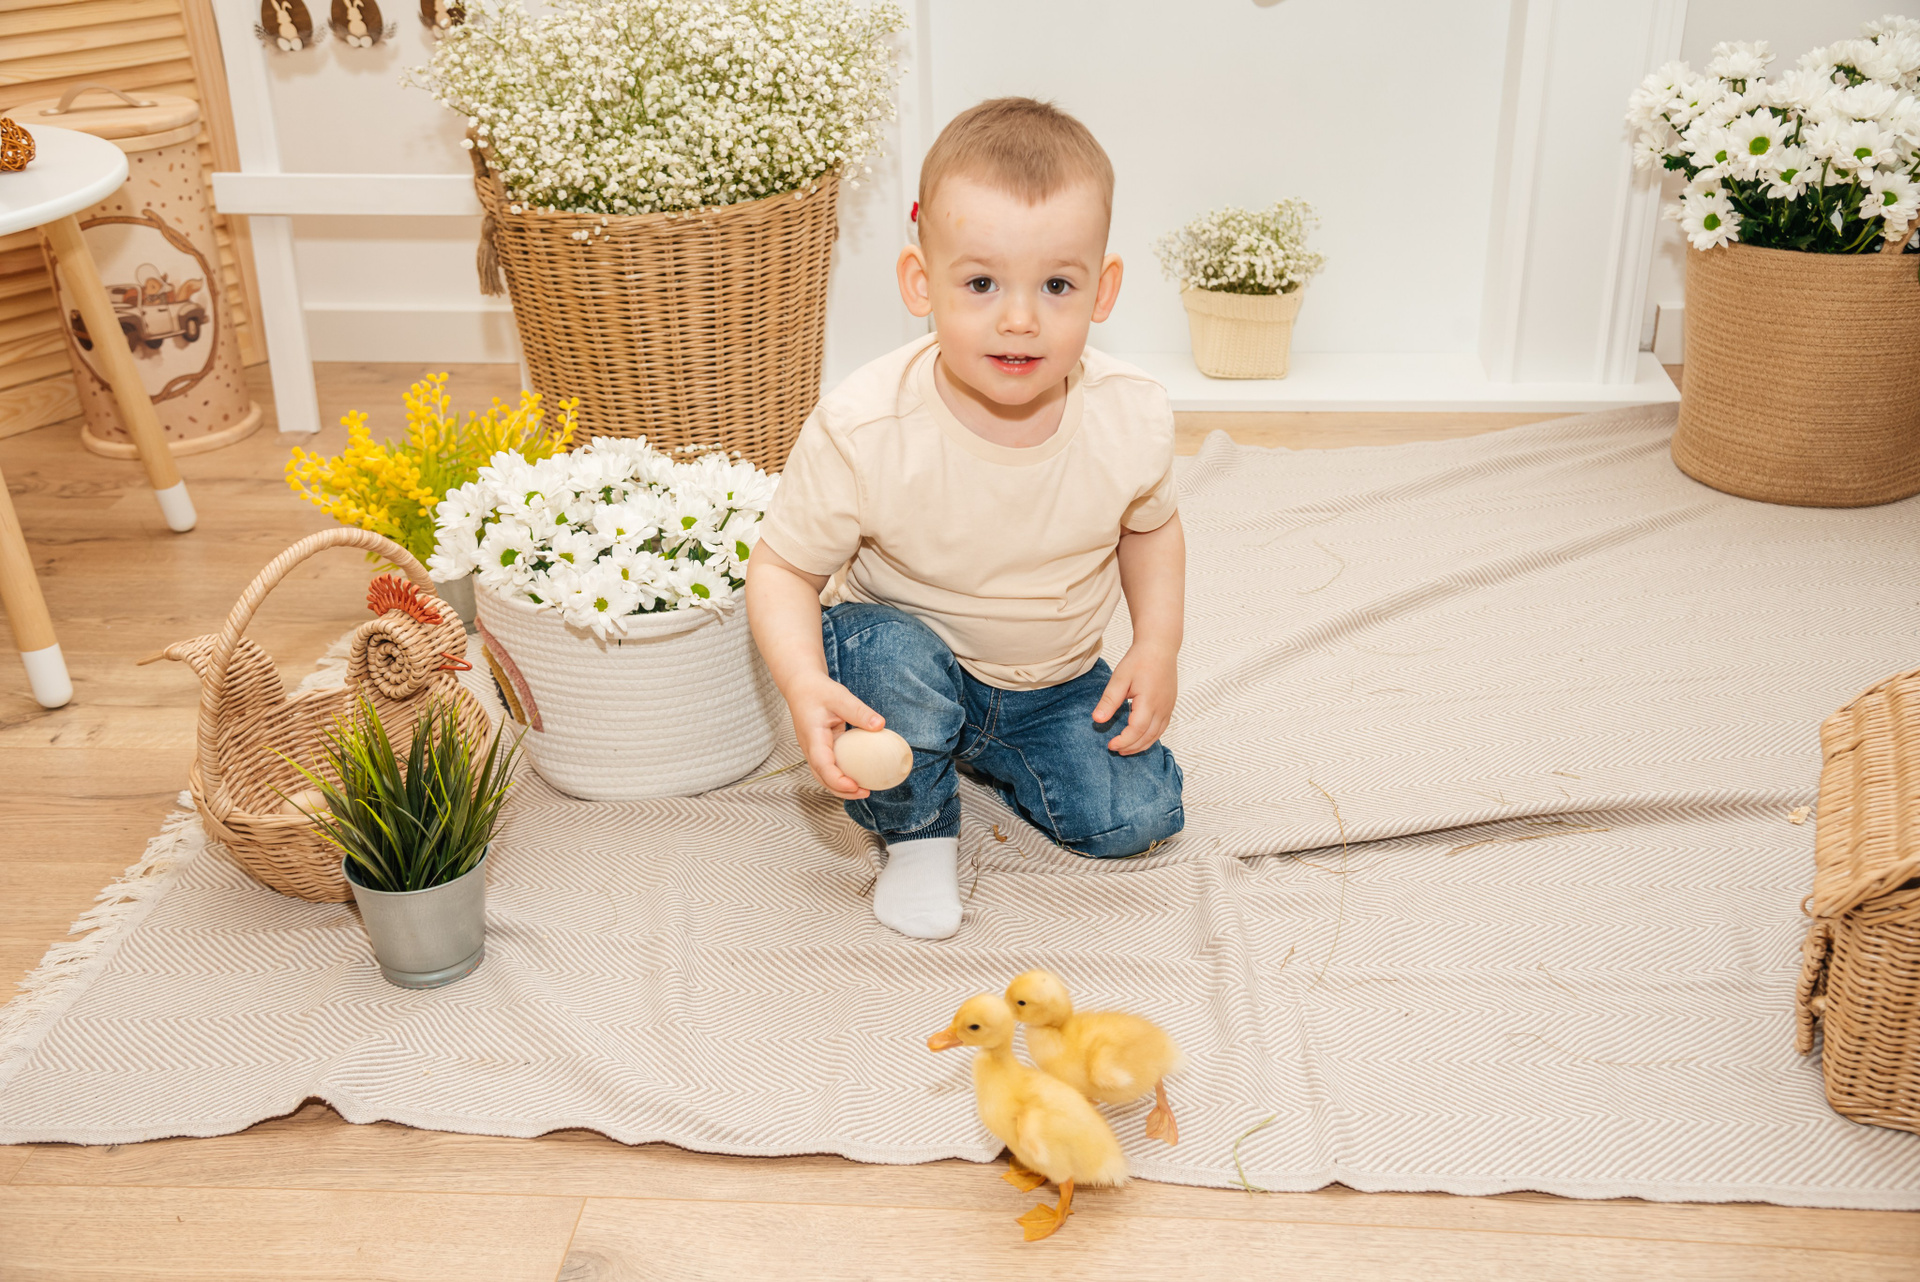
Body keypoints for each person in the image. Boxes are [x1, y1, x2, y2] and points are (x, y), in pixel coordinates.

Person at [746, 97, 1185, 940]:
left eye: (1056, 285)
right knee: (887, 663)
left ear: (1103, 289)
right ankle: (918, 831)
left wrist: (1157, 643)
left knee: (1139, 814)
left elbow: (1151, 527)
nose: (1019, 318)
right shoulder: (866, 425)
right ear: (921, 281)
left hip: (1052, 680)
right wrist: (803, 683)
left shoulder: (1130, 415)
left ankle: (982, 752)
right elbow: (782, 568)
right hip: (904, 660)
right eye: (981, 284)